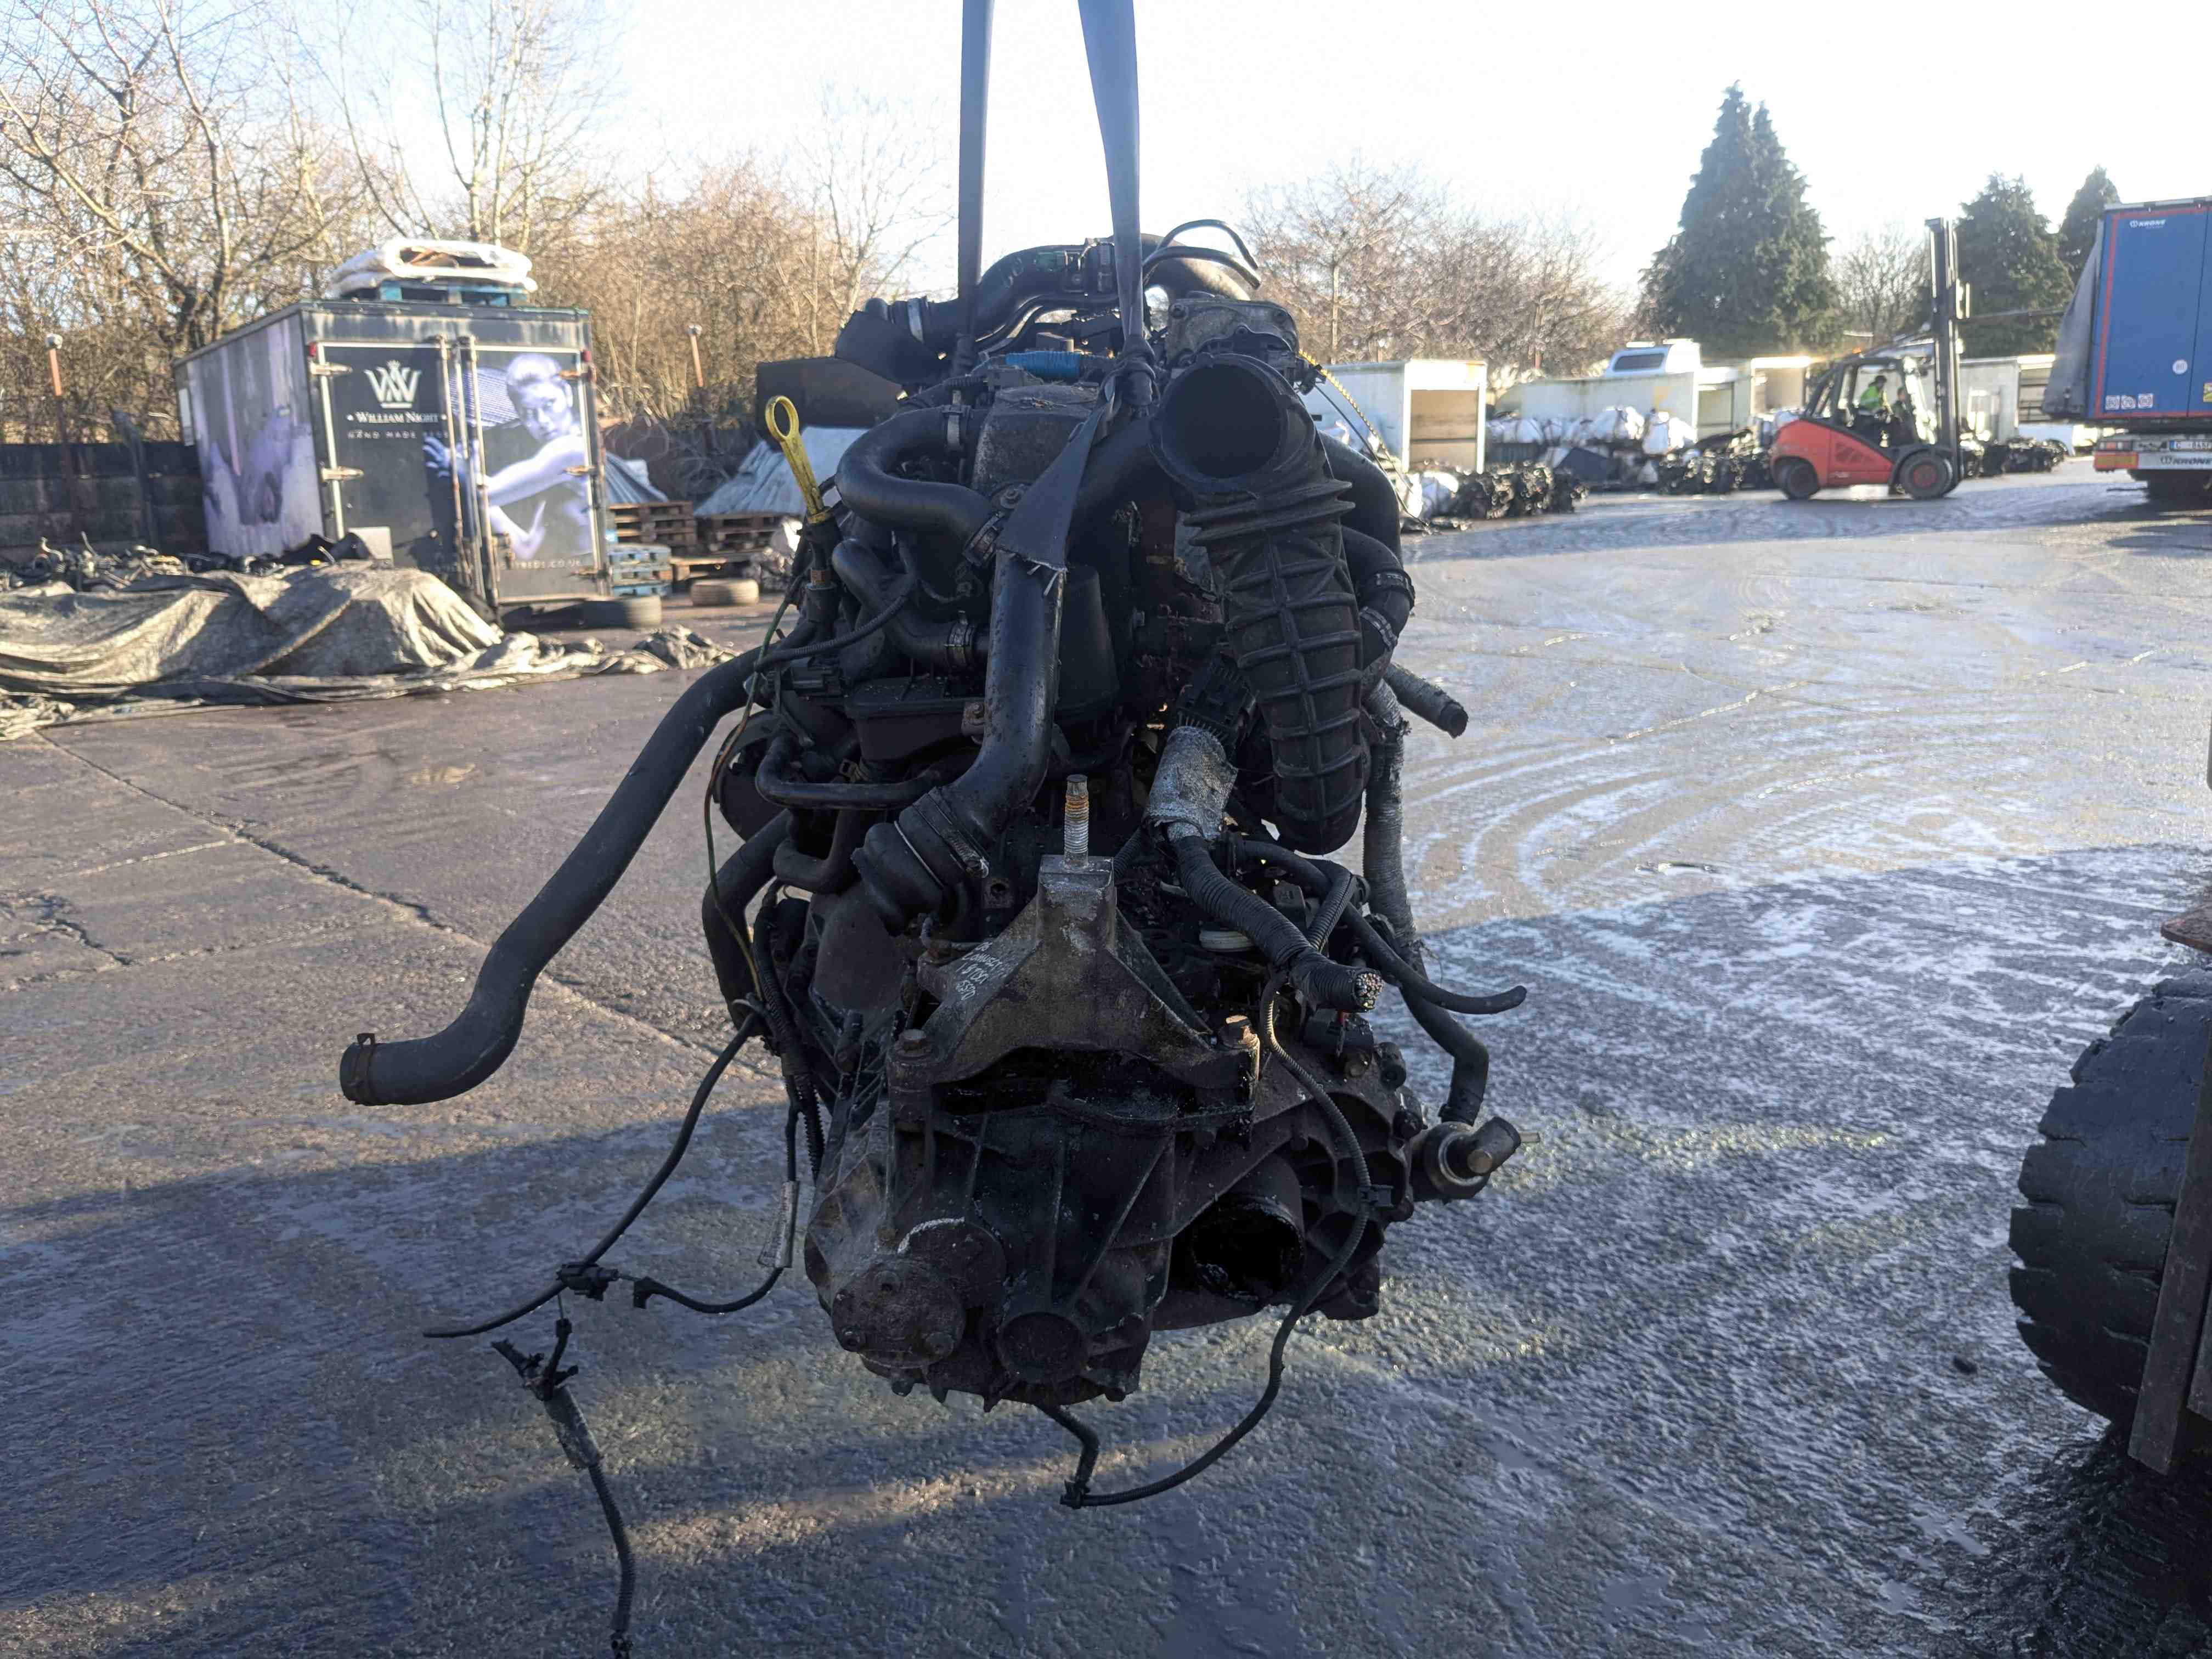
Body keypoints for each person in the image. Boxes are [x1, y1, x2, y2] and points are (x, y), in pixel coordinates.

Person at [422, 353, 592, 563]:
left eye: (549, 404)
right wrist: (472, 480)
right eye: (528, 413)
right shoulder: (559, 480)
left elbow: (485, 494)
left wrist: (459, 467)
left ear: (567, 393)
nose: (542, 421)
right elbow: (528, 549)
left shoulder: (571, 449)